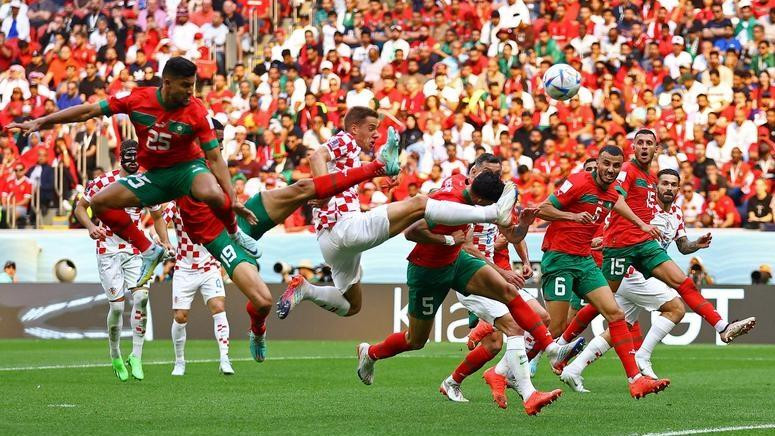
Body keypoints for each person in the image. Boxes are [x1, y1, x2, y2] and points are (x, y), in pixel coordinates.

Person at [167, 112, 401, 363]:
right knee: (263, 302)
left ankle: (377, 166)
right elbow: (159, 201)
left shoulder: (215, 160)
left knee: (303, 188)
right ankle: (258, 329)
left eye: (223, 142)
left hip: (241, 216)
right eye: (216, 141)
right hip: (220, 237)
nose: (221, 147)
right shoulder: (180, 169)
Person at [8, 56, 261, 288]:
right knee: (99, 203)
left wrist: (232, 200)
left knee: (213, 193)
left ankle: (235, 234)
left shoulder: (197, 111)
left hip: (188, 169)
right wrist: (42, 121)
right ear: (167, 83)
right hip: (155, 176)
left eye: (192, 85)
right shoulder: (137, 99)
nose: (190, 91)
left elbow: (215, 159)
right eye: (185, 85)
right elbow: (88, 111)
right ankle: (149, 250)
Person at [353, 169, 582, 401]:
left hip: (458, 260)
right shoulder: (449, 204)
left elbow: (511, 234)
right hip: (428, 271)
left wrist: (522, 224)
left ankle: (551, 351)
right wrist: (449, 239)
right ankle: (370, 353)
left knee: (508, 292)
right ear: (481, 200)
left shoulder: (462, 184)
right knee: (416, 340)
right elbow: (412, 232)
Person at [276, 107, 519, 320]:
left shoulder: (349, 157)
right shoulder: (346, 139)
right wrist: (324, 191)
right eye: (371, 128)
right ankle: (492, 212)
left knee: (351, 305)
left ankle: (306, 289)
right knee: (420, 204)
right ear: (354, 128)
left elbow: (347, 174)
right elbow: (317, 155)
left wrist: (382, 171)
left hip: (329, 241)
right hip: (346, 227)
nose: (376, 134)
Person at [561, 130, 755, 354]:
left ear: (656, 149)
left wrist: (692, 243)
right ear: (633, 147)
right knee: (600, 304)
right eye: (640, 143)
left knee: (683, 283)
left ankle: (722, 327)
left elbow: (677, 239)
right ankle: (562, 344)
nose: (644, 147)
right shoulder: (627, 170)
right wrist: (633, 227)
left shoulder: (652, 180)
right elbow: (616, 199)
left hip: (644, 245)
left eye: (649, 143)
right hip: (620, 247)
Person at [535, 145, 670, 398]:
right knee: (556, 327)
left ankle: (635, 380)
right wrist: (573, 217)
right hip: (560, 257)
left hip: (585, 260)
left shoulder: (611, 192)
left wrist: (642, 225)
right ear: (597, 162)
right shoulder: (578, 182)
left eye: (616, 165)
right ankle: (507, 368)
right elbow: (543, 209)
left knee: (616, 314)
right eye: (606, 163)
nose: (610, 169)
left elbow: (619, 204)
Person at [561, 169, 714, 391]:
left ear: (678, 189)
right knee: (676, 308)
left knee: (618, 328)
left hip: (641, 275)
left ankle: (574, 369)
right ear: (655, 187)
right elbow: (620, 226)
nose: (669, 188)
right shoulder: (644, 209)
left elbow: (682, 245)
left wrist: (695, 245)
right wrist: (605, 239)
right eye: (664, 183)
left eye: (673, 185)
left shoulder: (677, 213)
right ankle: (642, 356)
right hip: (634, 273)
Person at [437, 154, 566, 415]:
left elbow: (512, 235)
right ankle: (526, 391)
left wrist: (524, 225)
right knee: (512, 329)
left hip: (491, 273)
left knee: (538, 319)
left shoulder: (498, 197)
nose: (494, 179)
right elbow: (466, 247)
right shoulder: (462, 200)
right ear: (473, 172)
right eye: (488, 173)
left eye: (497, 174)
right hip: (470, 275)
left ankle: (466, 379)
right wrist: (501, 272)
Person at [73, 140, 168, 382]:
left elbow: (158, 216)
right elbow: (80, 208)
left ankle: (136, 356)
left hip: (136, 250)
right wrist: (91, 226)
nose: (134, 160)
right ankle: (115, 354)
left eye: (137, 156)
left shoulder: (145, 184)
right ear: (121, 157)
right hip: (108, 249)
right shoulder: (103, 182)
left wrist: (165, 241)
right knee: (116, 307)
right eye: (129, 156)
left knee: (142, 298)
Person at [162, 201, 234, 376]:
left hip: (209, 266)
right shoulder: (175, 204)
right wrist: (164, 241)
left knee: (218, 307)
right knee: (180, 316)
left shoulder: (210, 202)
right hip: (184, 269)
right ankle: (179, 361)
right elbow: (159, 223)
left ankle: (224, 358)